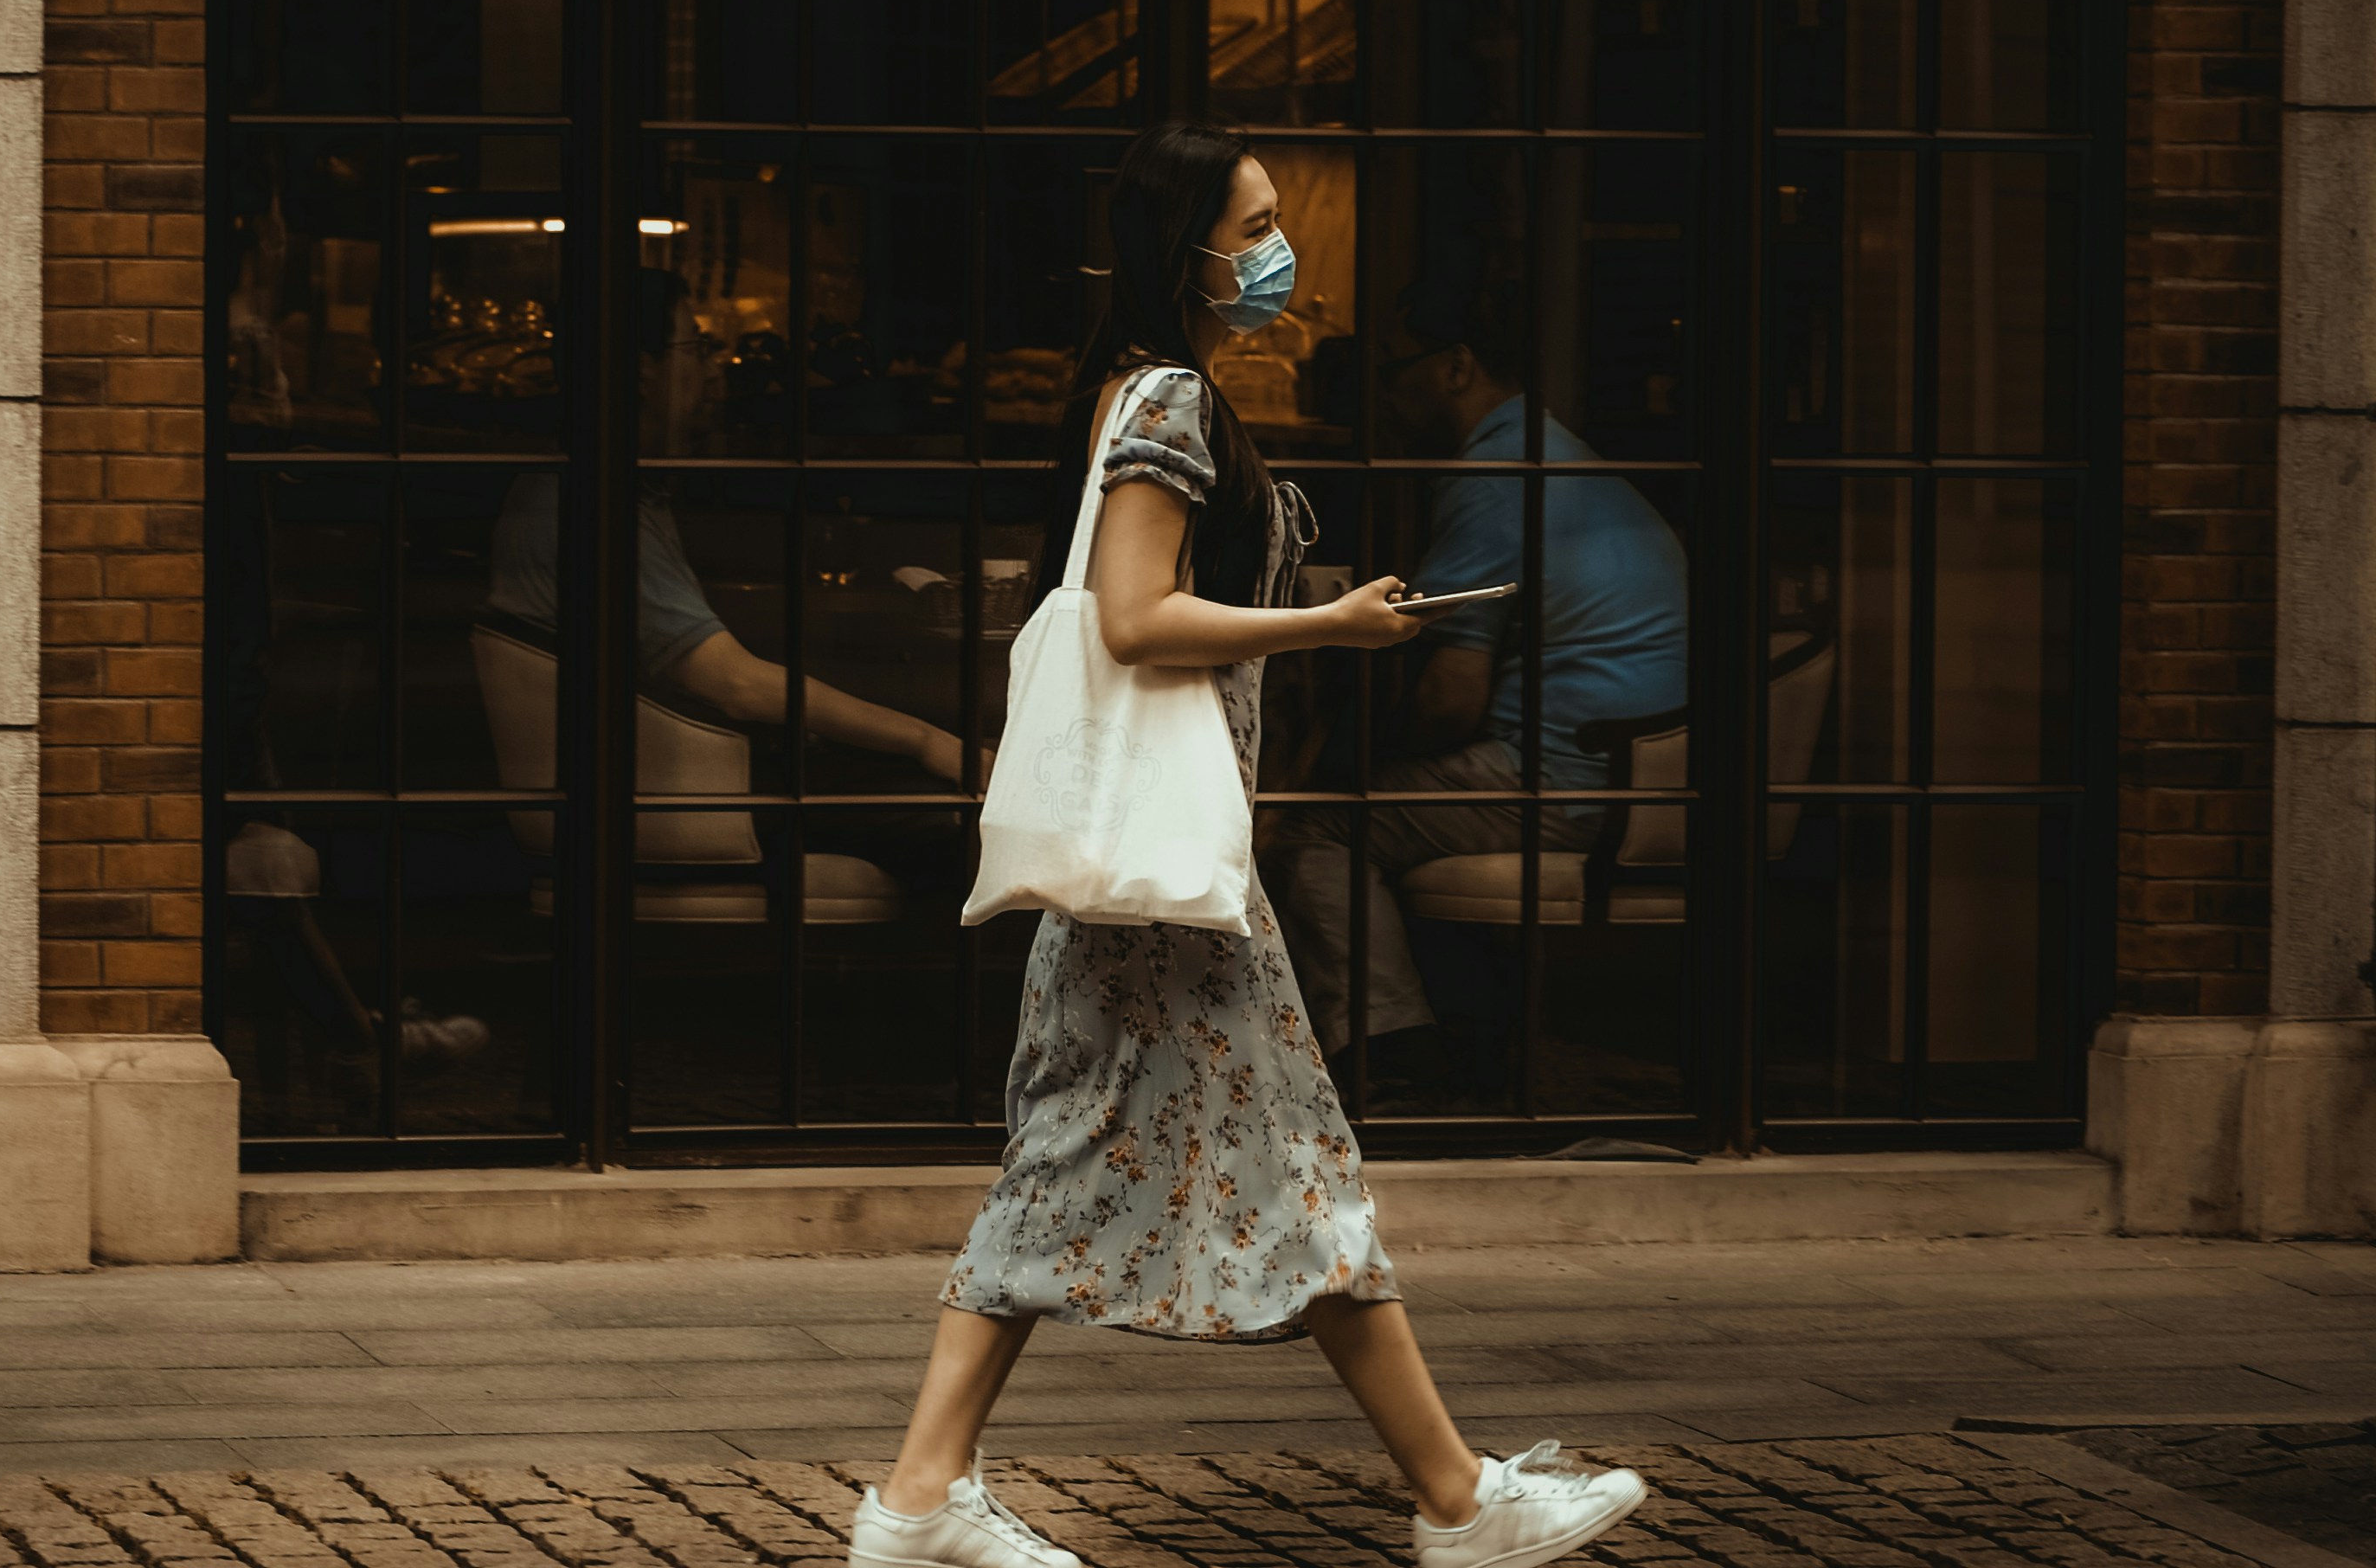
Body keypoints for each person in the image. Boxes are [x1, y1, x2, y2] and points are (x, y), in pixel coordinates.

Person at [850, 121, 1648, 1568]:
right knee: (1287, 1162)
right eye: (1260, 219)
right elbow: (1134, 614)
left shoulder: (1149, 391)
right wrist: (1328, 623)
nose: (1282, 247)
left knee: (1096, 1155)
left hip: (1158, 869)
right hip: (1172, 881)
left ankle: (921, 1498)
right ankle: (1459, 1502)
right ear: (1192, 250)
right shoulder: (1164, 400)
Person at [1274, 279, 1689, 1076]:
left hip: (1574, 775)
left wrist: (1355, 751)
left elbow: (1449, 699)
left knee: (1311, 824)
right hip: (1650, 765)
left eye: (1394, 368)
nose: (1384, 391)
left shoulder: (1498, 472)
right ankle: (1455, 1022)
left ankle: (1388, 1047)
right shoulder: (1547, 449)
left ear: (1456, 367)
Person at [486, 276, 961, 780]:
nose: (714, 374)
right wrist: (925, 740)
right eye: (697, 349)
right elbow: (738, 687)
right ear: (642, 369)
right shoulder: (590, 507)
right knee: (945, 807)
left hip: (663, 772)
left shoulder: (606, 484)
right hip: (667, 796)